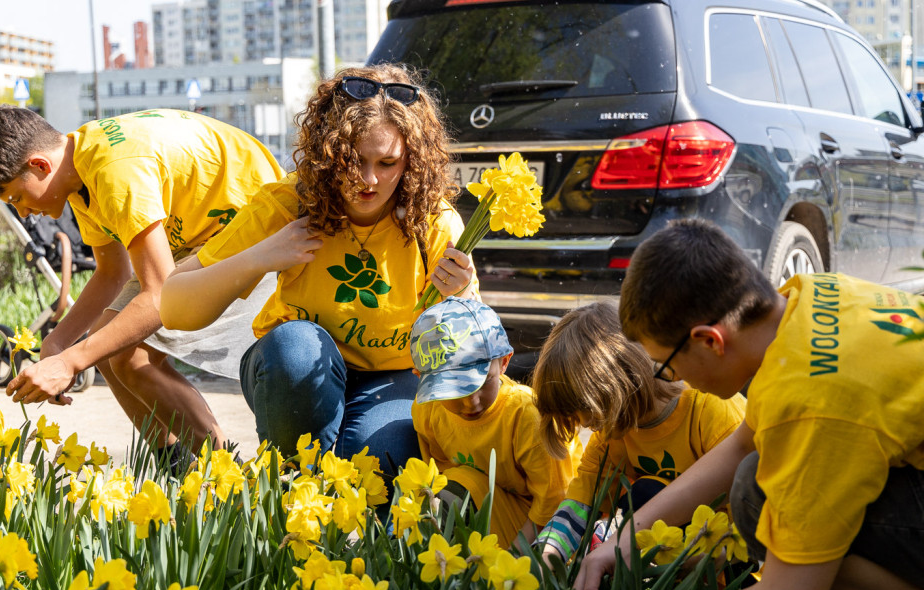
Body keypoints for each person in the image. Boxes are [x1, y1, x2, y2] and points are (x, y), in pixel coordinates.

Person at [577, 218, 924, 590]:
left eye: (666, 366)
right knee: (753, 479)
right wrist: (624, 541)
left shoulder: (809, 402)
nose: (675, 379)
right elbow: (743, 443)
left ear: (708, 341)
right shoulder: (811, 300)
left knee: (760, 500)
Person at [160, 64, 478, 477]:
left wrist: (462, 297)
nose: (368, 180)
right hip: (295, 374)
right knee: (294, 348)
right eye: (354, 160)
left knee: (382, 460)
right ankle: (296, 489)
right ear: (329, 151)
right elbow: (173, 306)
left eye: (387, 163)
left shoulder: (431, 221)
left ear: (412, 161)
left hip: (391, 378)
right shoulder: (290, 203)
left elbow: (473, 344)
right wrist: (262, 256)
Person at [0, 106, 284, 460]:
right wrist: (57, 344)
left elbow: (162, 295)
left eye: (17, 198)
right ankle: (177, 467)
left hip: (257, 221)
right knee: (111, 346)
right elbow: (111, 273)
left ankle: (227, 473)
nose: (23, 212)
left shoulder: (114, 172)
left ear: (40, 166)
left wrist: (71, 362)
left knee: (127, 351)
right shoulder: (79, 169)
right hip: (201, 235)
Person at [530, 301, 745, 564]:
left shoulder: (711, 410)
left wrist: (639, 552)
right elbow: (582, 502)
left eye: (587, 408)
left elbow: (751, 526)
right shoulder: (615, 430)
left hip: (734, 565)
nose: (585, 423)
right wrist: (543, 558)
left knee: (645, 495)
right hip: (673, 563)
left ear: (621, 379)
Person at [408, 297, 574, 549]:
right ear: (422, 379)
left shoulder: (527, 415)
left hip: (546, 523)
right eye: (454, 391)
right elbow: (441, 476)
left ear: (504, 362)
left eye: (484, 382)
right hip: (489, 505)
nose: (471, 403)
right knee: (448, 487)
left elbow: (555, 500)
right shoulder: (428, 409)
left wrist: (514, 558)